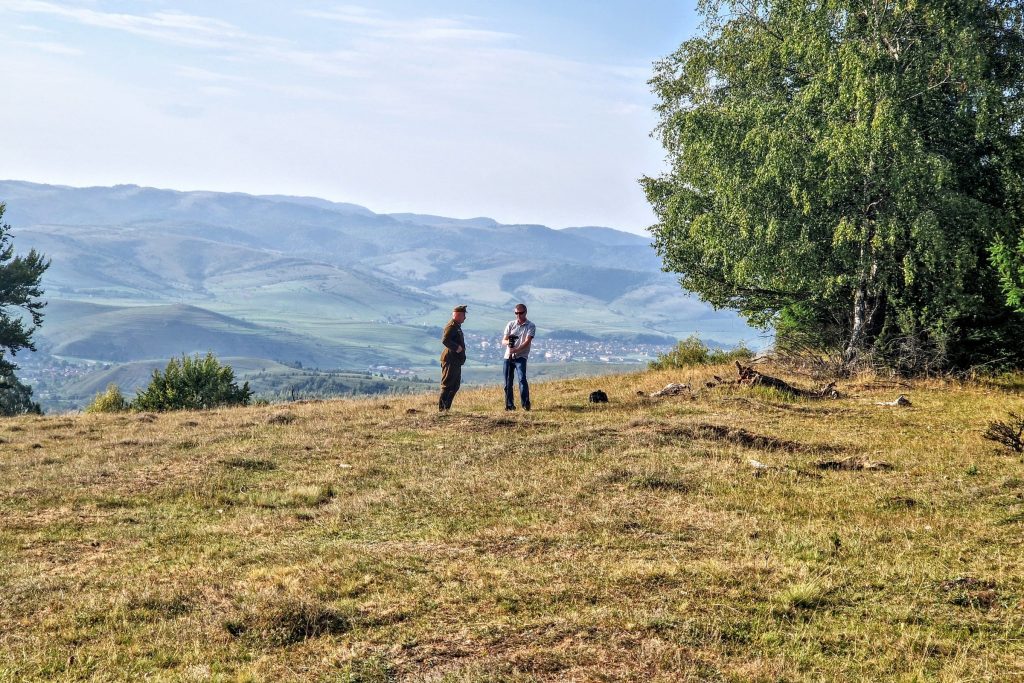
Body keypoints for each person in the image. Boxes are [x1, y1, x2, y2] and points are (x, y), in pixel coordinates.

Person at [502, 303, 536, 411]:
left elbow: (527, 341)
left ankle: (525, 404)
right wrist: (509, 342)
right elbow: (503, 341)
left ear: (525, 312)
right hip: (508, 357)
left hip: (521, 356)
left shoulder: (530, 326)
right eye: (516, 313)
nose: (518, 315)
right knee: (508, 382)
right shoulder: (511, 324)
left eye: (520, 313)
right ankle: (509, 405)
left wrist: (516, 350)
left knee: (522, 379)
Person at [439, 305, 467, 411]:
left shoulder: (457, 326)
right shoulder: (451, 326)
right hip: (450, 360)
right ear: (458, 315)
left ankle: (447, 408)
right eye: (464, 315)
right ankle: (442, 410)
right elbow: (445, 340)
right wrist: (457, 348)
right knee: (447, 385)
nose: (465, 318)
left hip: (455, 361)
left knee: (455, 386)